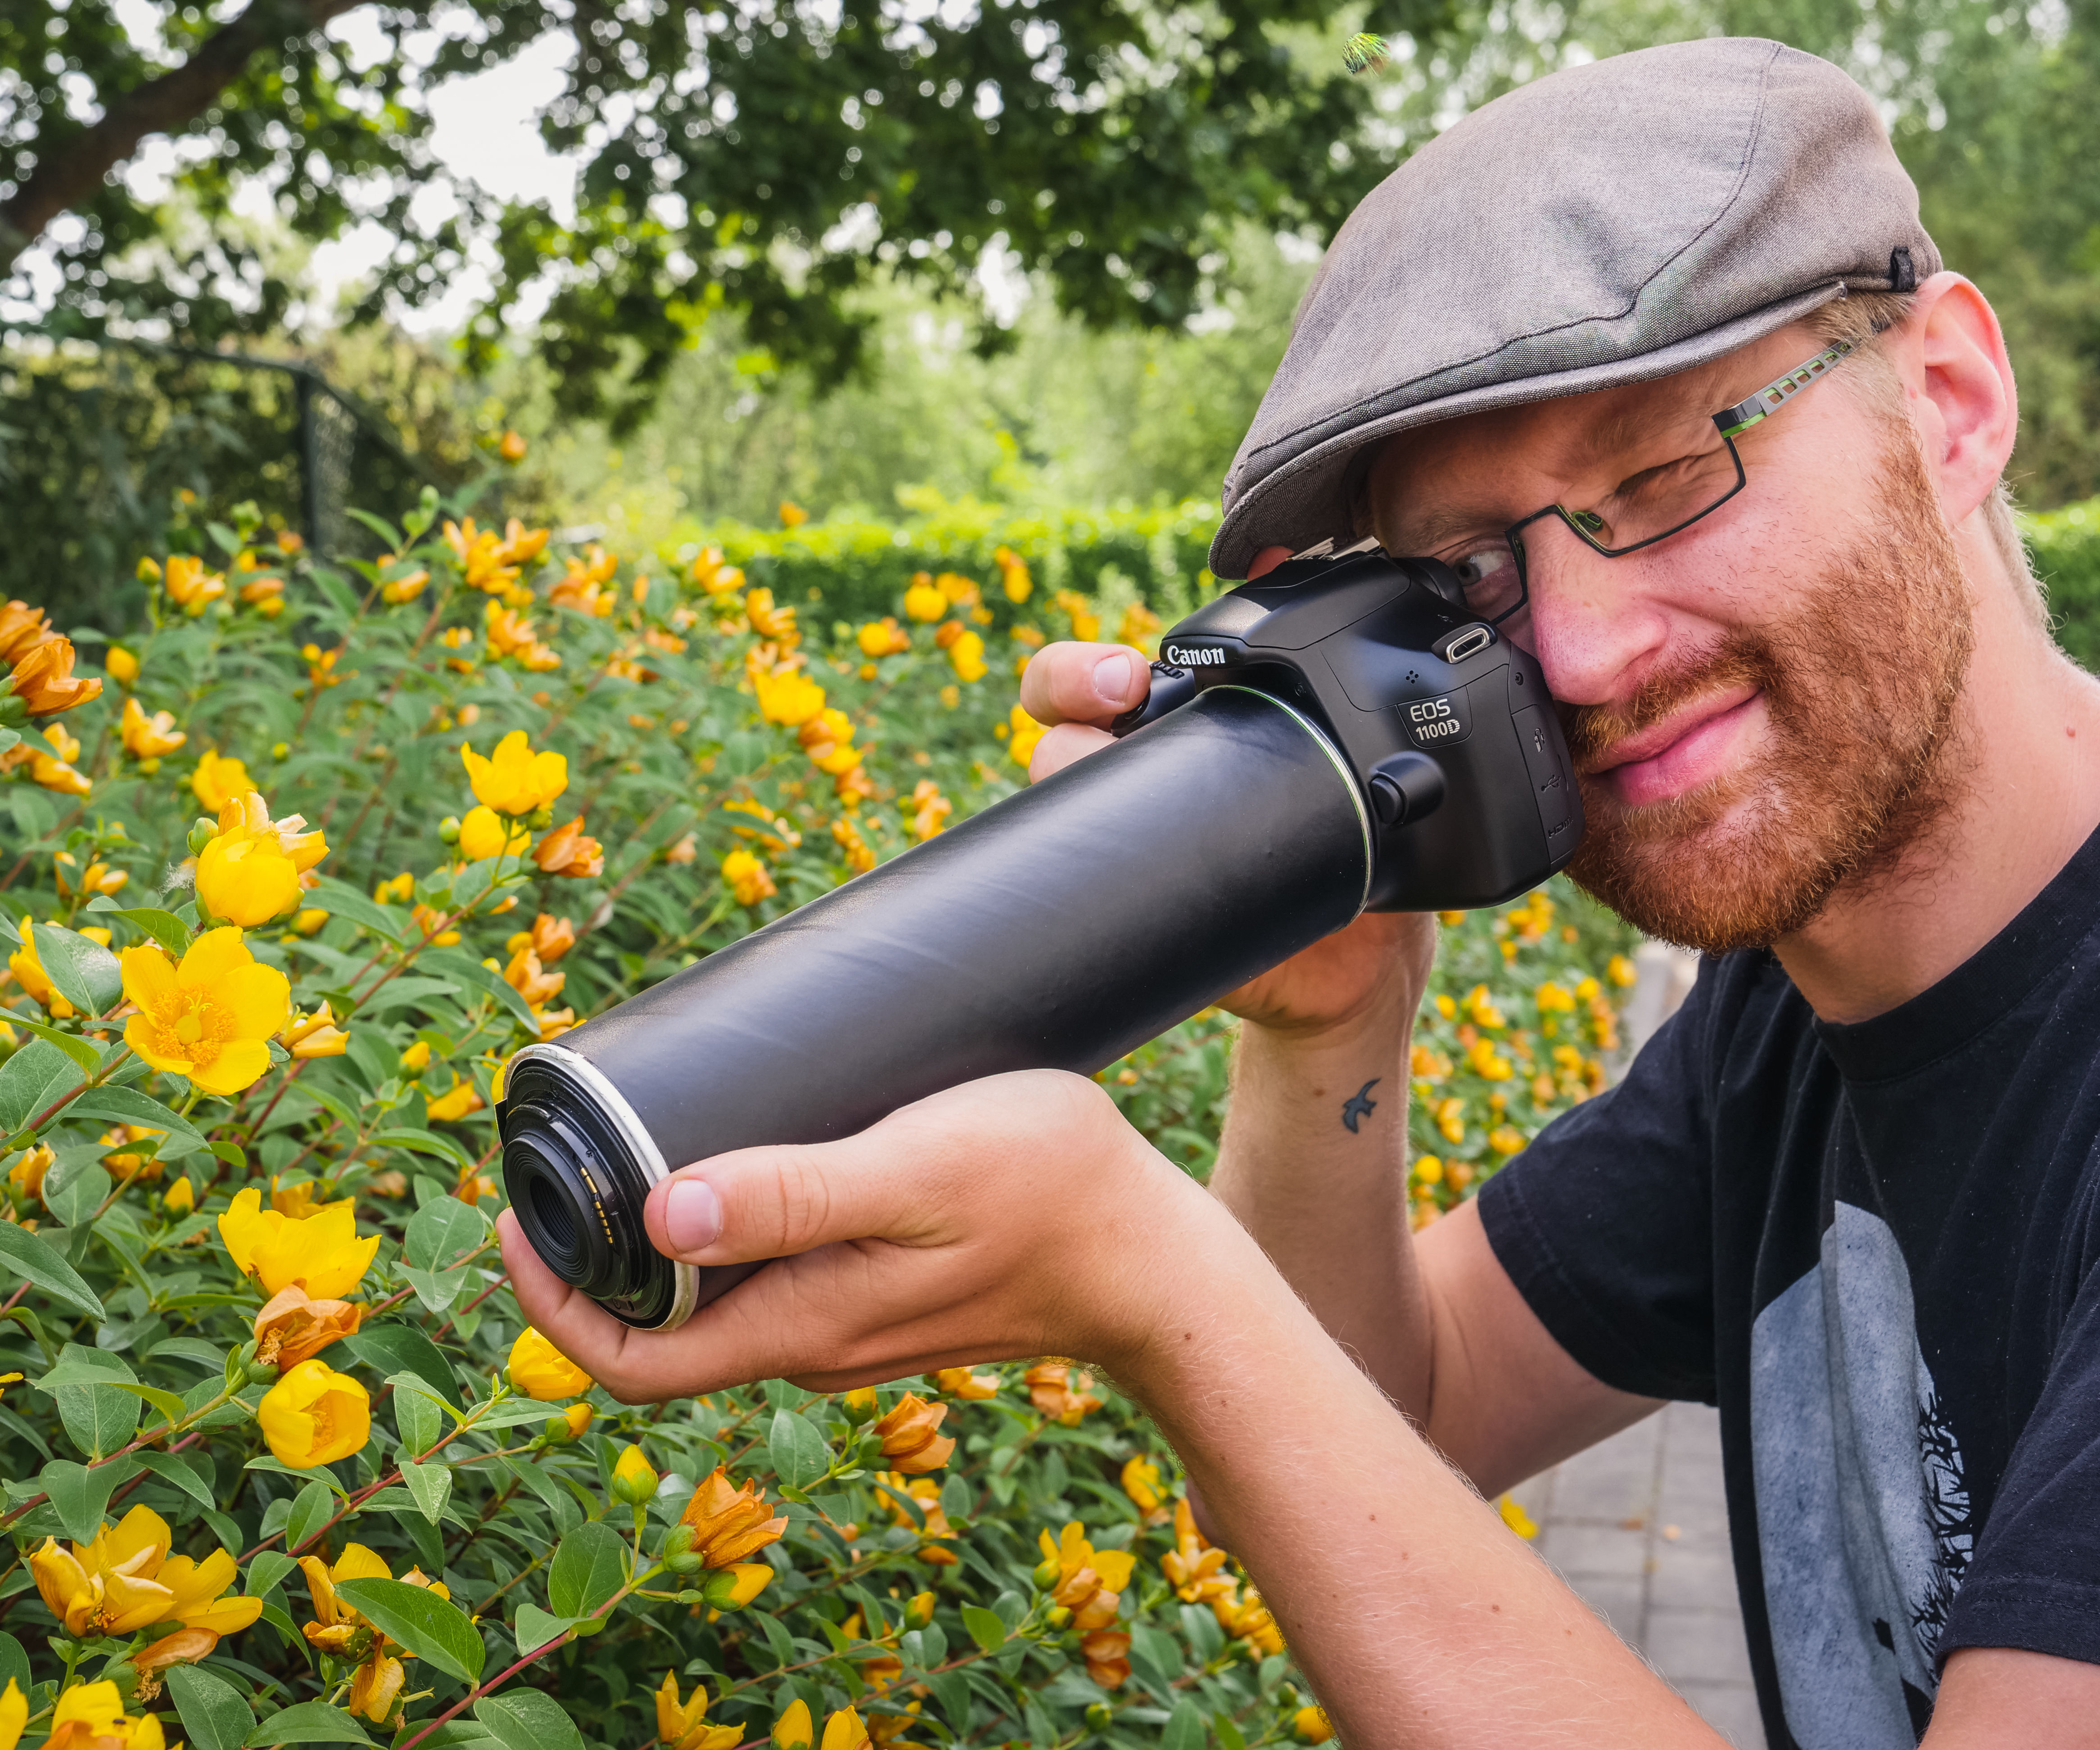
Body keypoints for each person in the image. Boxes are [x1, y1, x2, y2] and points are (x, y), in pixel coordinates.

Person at [501, 37, 2100, 1749]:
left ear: (1947, 401)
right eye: (1473, 572)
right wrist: (1327, 1014)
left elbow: (1280, 1398)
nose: (1574, 647)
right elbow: (1395, 1420)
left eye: (1661, 472)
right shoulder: (1793, 1015)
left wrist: (1149, 1278)